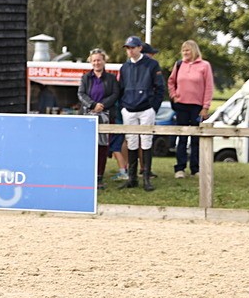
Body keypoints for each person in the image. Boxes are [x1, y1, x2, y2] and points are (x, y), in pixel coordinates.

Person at [118, 36, 165, 191]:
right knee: (131, 142)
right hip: (129, 109)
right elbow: (121, 89)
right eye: (128, 48)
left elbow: (160, 88)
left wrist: (153, 108)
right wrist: (123, 107)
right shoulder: (124, 67)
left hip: (146, 109)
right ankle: (132, 178)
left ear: (139, 48)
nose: (130, 51)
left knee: (146, 142)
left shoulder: (152, 65)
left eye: (132, 47)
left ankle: (146, 178)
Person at [166, 40, 214, 177]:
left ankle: (196, 168)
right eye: (183, 50)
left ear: (194, 50)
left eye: (188, 50)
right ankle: (180, 168)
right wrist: (174, 95)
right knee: (181, 137)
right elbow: (171, 81)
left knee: (195, 139)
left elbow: (209, 87)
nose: (185, 53)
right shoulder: (179, 65)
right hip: (181, 105)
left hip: (197, 106)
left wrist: (206, 106)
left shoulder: (205, 66)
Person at [78, 48, 120, 190]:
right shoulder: (85, 78)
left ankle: (99, 177)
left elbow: (115, 94)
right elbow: (81, 94)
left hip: (105, 116)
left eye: (99, 60)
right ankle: (87, 176)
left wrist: (102, 105)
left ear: (104, 61)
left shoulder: (111, 78)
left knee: (102, 148)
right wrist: (92, 105)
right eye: (94, 60)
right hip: (88, 115)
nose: (97, 63)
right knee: (87, 147)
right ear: (91, 61)